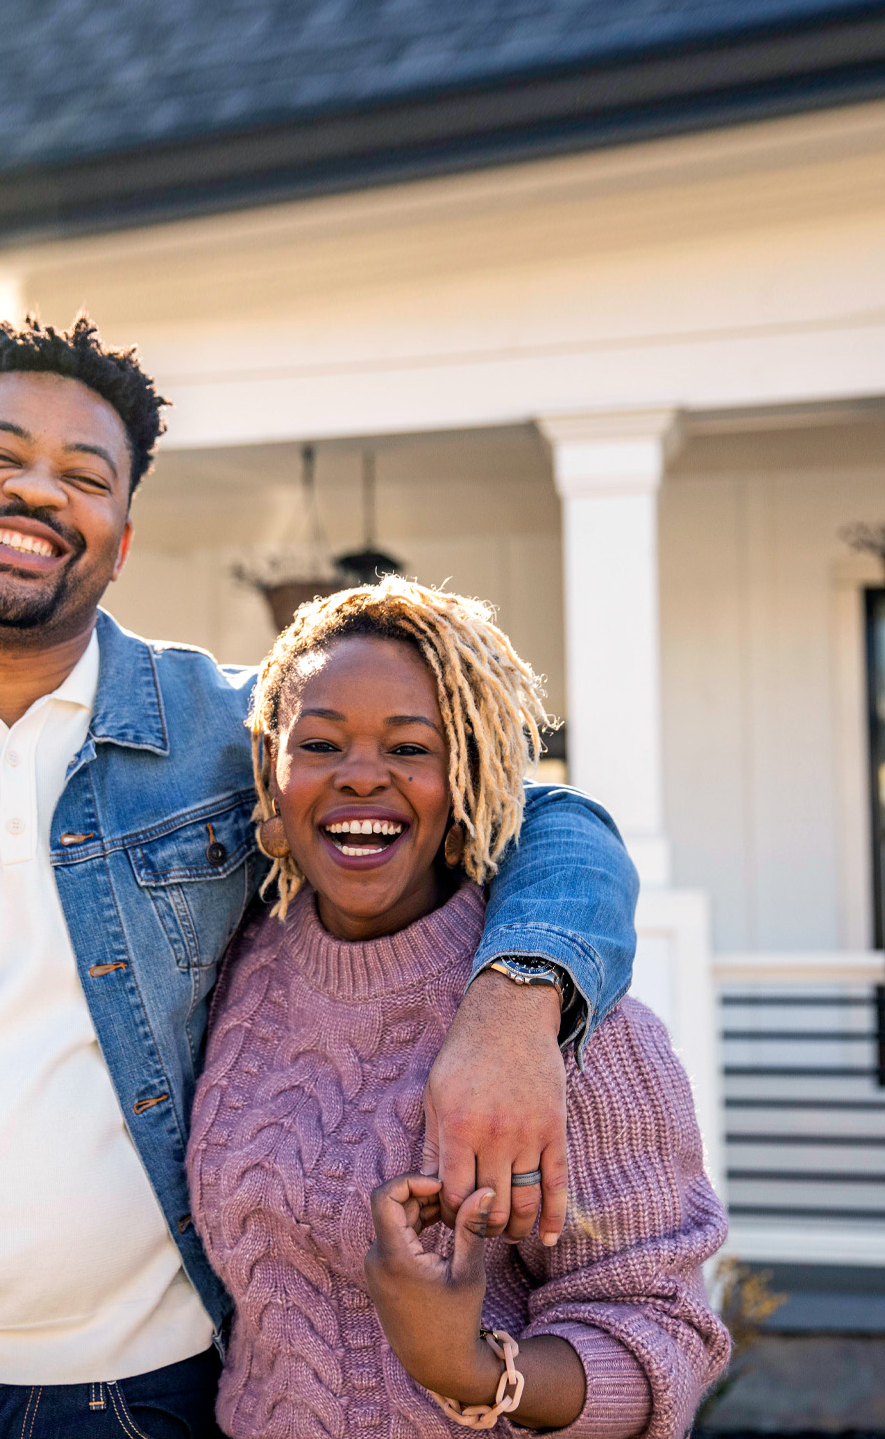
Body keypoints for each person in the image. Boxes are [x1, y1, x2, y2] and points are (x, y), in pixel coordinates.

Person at [0, 312, 639, 1439]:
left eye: (83, 476)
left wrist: (517, 1003)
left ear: (122, 537)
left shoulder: (229, 736)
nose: (36, 494)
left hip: (158, 1403)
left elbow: (545, 816)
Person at [188, 578, 729, 1439]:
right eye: (321, 743)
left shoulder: (564, 1020)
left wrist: (467, 1368)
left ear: (467, 775)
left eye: (411, 749)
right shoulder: (236, 960)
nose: (363, 775)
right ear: (272, 772)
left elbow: (663, 1331)